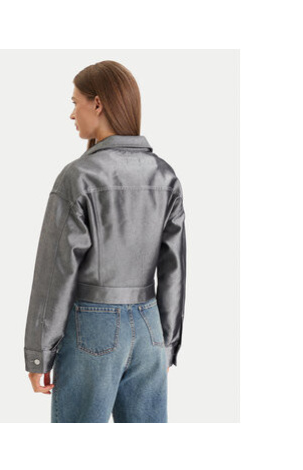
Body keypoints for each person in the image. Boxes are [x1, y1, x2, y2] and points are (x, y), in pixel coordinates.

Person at [23, 60, 187, 423]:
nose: (72, 114)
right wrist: (167, 344)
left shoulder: (78, 177)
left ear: (97, 104)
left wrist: (39, 354)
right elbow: (174, 270)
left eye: (75, 102)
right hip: (149, 328)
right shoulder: (165, 176)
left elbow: (54, 274)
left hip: (91, 329)